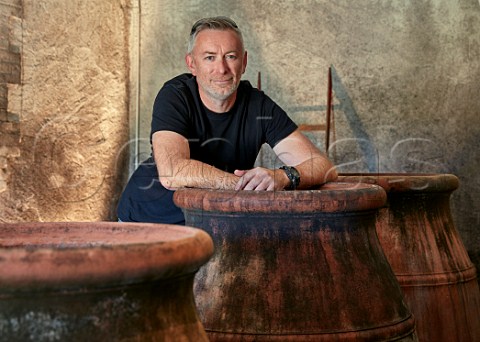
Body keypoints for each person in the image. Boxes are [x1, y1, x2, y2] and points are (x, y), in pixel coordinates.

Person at [117, 16, 337, 224]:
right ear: (192, 64)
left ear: (244, 62)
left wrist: (283, 177)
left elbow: (324, 167)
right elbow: (172, 172)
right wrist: (246, 186)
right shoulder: (175, 95)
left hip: (214, 226)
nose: (221, 69)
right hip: (147, 221)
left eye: (230, 56)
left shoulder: (258, 106)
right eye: (210, 57)